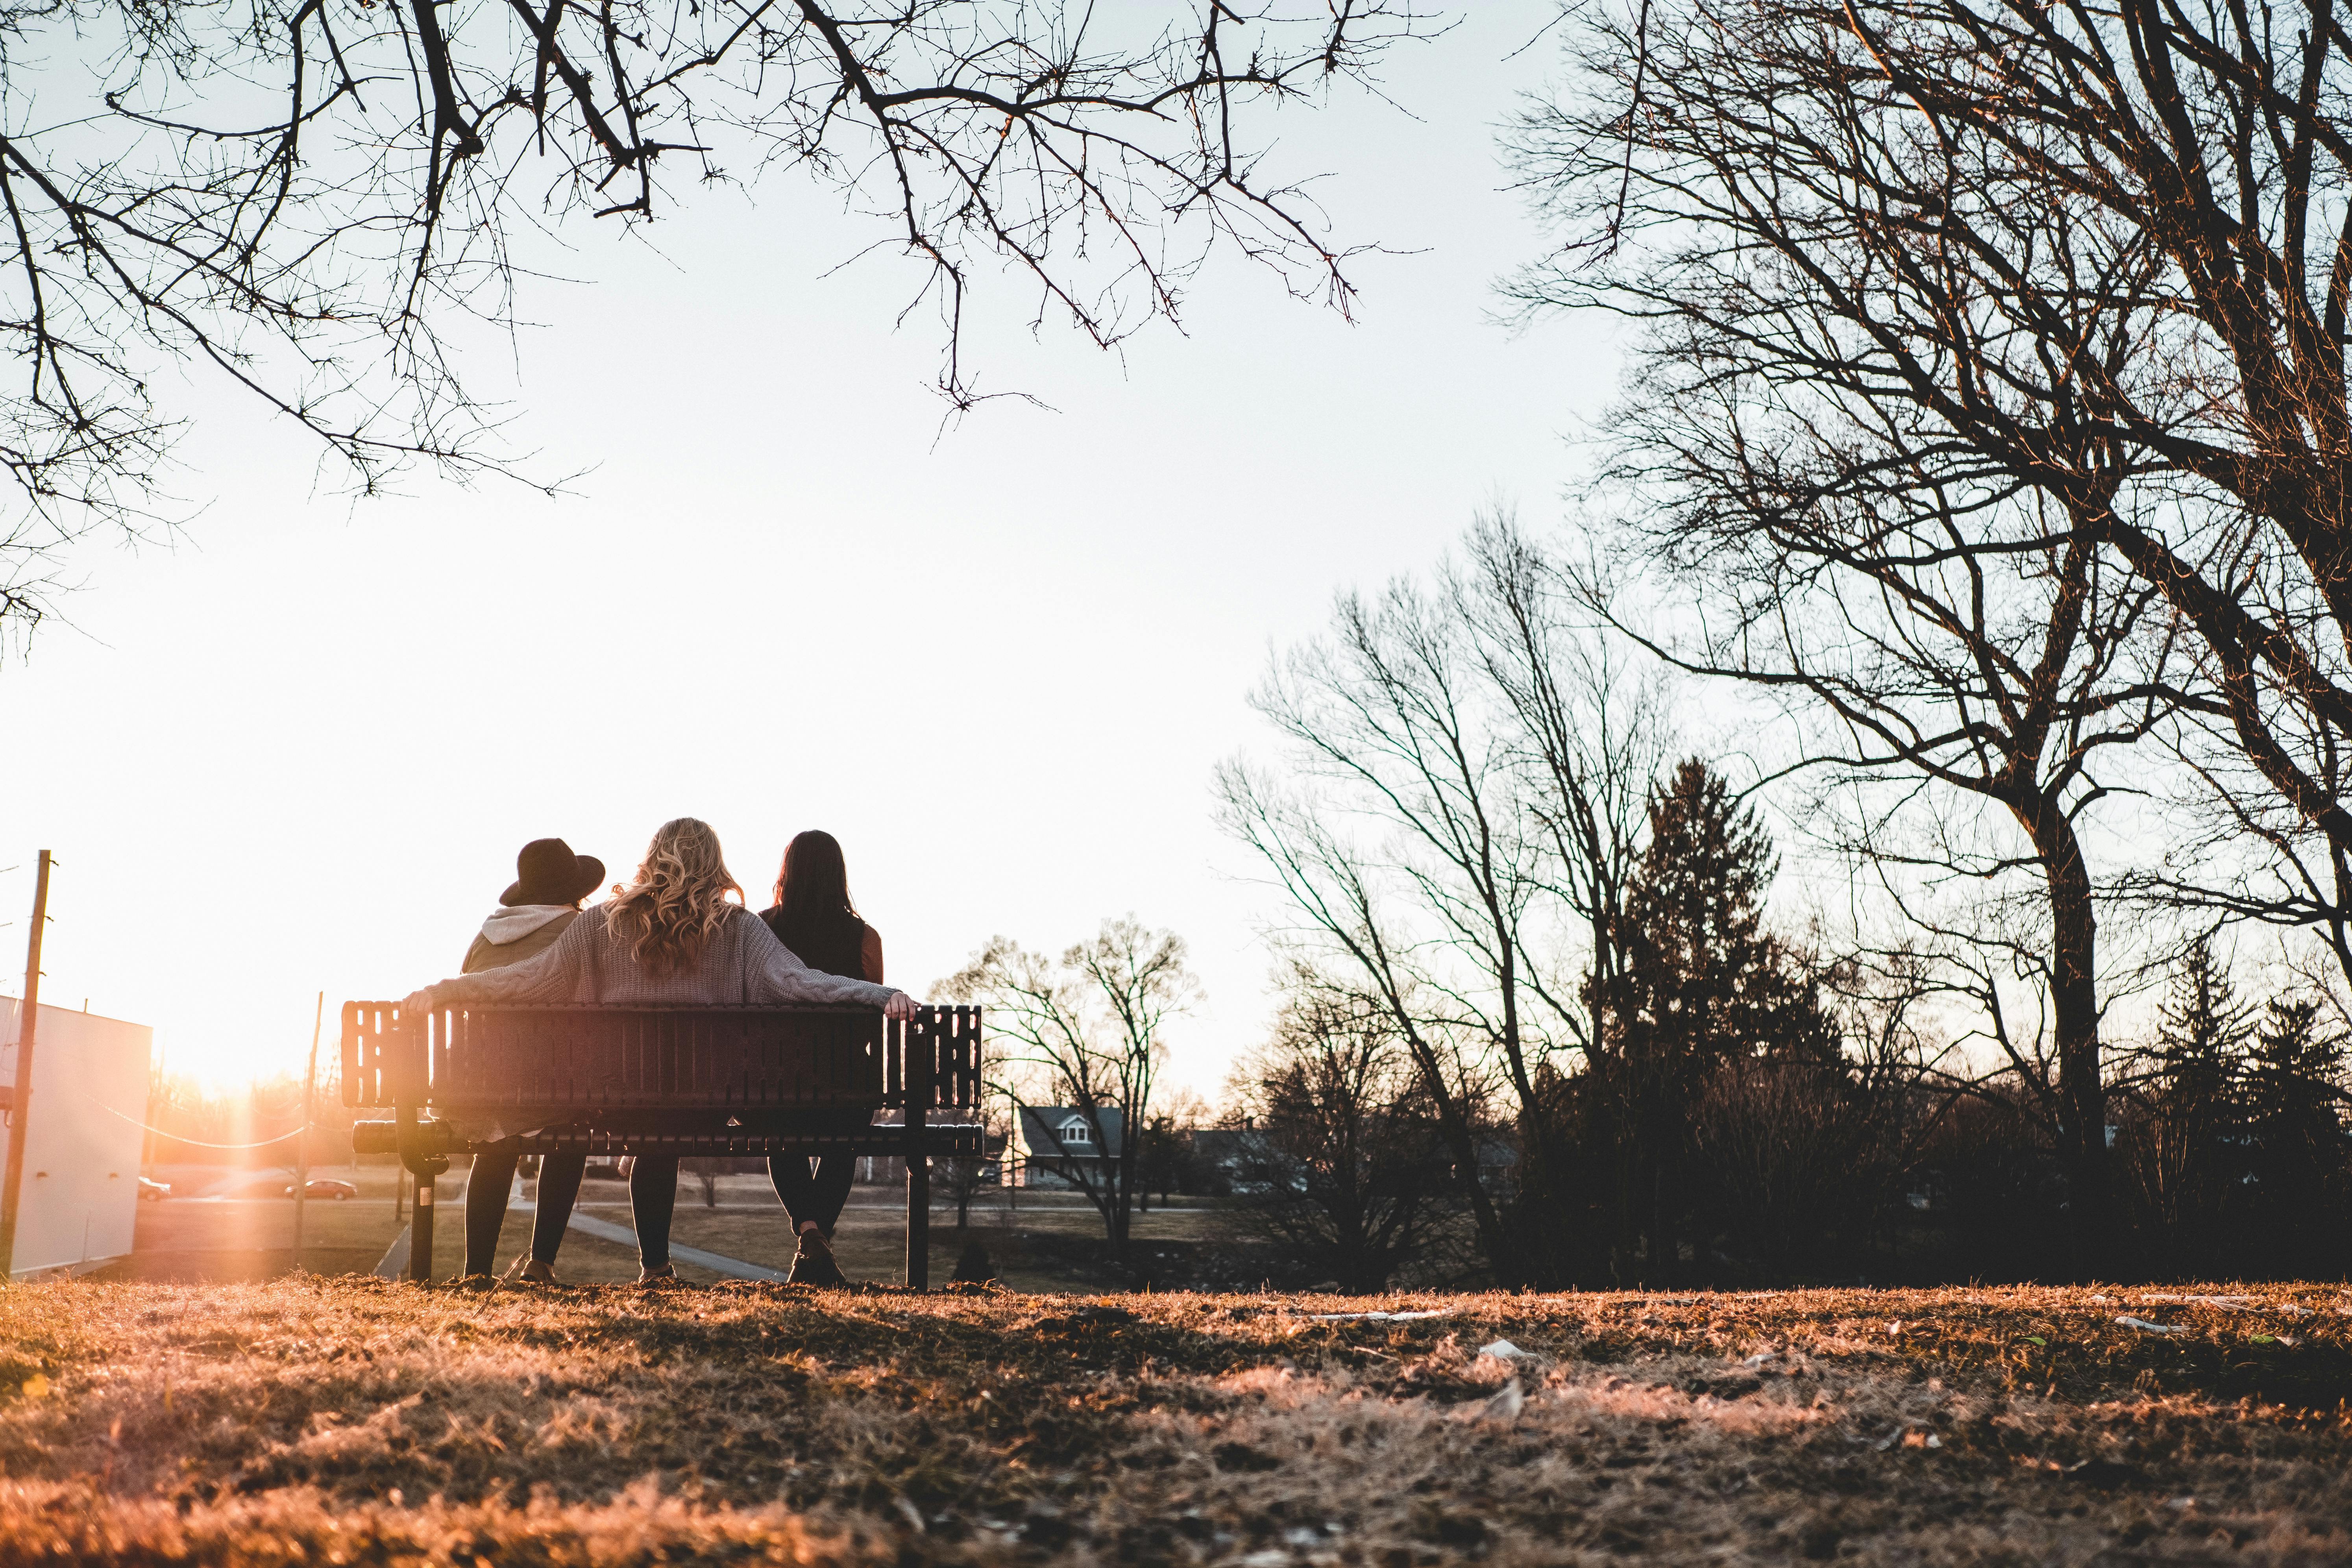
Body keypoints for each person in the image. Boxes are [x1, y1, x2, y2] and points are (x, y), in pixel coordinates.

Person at [403, 817, 917, 1284]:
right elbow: (801, 984)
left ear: (651, 862)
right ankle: (690, 1259)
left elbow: (526, 981)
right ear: (715, 865)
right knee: (692, 1118)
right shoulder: (739, 929)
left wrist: (445, 991)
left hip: (622, 1107)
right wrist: (880, 995)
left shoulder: (601, 924)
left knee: (653, 1130)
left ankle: (655, 1268)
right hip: (709, 1109)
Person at [457, 838, 603, 1286]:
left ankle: (476, 1270)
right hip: (552, 1088)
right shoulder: (580, 931)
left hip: (482, 1089)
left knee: (498, 1137)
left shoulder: (484, 936)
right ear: (572, 889)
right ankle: (540, 1264)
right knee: (573, 1132)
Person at [760, 830, 885, 1286]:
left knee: (779, 1136)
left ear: (786, 873)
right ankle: (816, 1243)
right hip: (846, 1085)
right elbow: (873, 1016)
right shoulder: (864, 937)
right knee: (844, 1144)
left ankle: (810, 1236)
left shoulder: (762, 929)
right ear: (840, 875)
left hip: (778, 1084)